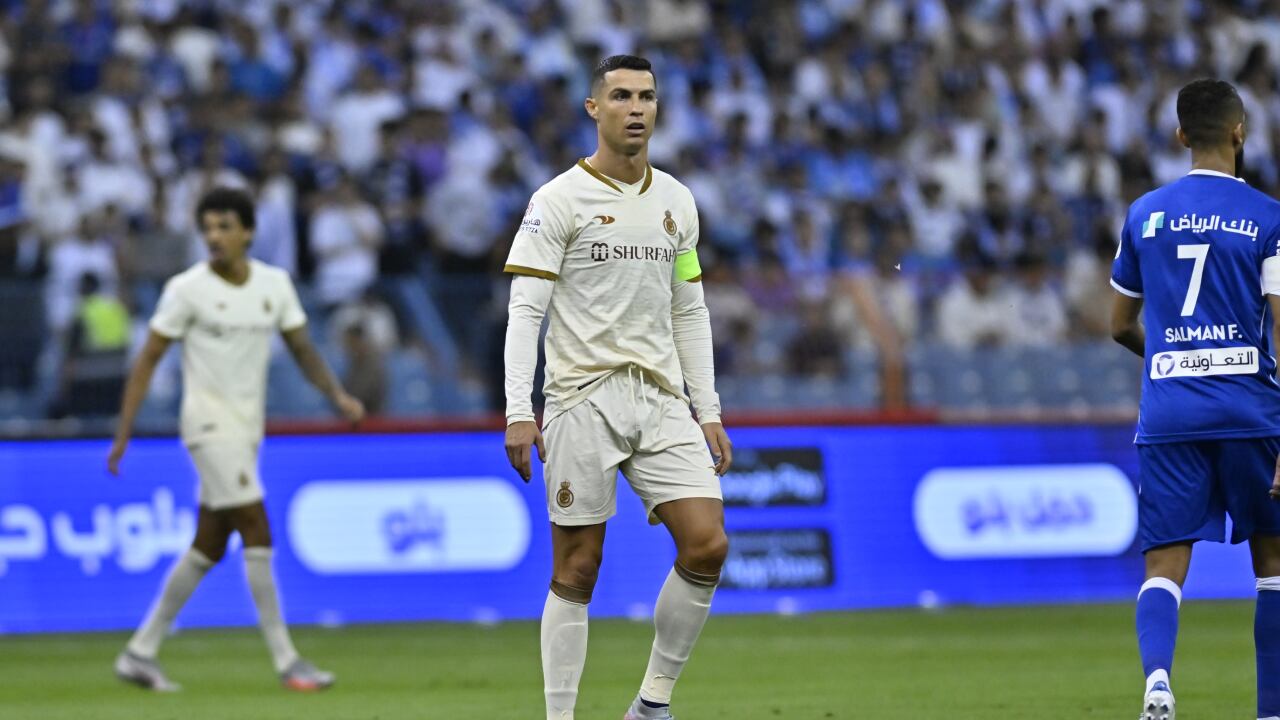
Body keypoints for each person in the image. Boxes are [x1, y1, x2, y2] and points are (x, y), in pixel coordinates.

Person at [503, 55, 732, 720]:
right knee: (577, 568)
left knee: (708, 544)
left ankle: (651, 705)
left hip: (662, 401)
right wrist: (521, 409)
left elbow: (689, 308)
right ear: (593, 109)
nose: (637, 108)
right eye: (622, 96)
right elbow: (526, 311)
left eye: (648, 97)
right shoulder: (556, 201)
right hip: (582, 399)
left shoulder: (677, 202)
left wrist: (707, 408)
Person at [107, 187, 365, 692]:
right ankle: (288, 661)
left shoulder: (274, 284)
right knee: (255, 524)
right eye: (207, 227)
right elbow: (148, 361)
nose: (214, 236)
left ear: (248, 231)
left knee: (208, 544)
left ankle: (140, 652)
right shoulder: (186, 289)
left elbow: (303, 349)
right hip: (206, 426)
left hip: (247, 430)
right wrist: (123, 432)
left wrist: (337, 394)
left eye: (224, 226)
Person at [1111, 78, 1280, 720]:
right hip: (1252, 414)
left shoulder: (1144, 214)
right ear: (1241, 132)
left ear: (1181, 136)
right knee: (1273, 568)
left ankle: (1158, 683)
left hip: (1172, 413)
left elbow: (1118, 324)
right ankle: (1270, 711)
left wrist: (1170, 362)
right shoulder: (1269, 217)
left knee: (1163, 565)